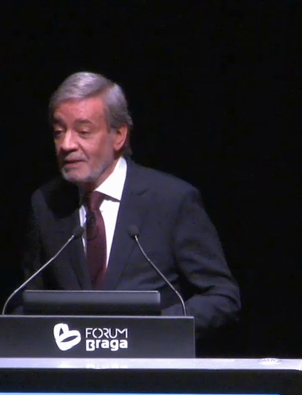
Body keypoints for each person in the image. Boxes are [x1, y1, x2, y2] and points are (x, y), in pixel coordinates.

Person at [20, 71, 241, 338]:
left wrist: (153, 329)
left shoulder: (171, 200)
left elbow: (222, 296)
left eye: (83, 132)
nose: (66, 145)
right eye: (58, 132)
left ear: (119, 135)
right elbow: (28, 302)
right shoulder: (45, 204)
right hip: (70, 359)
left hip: (151, 360)